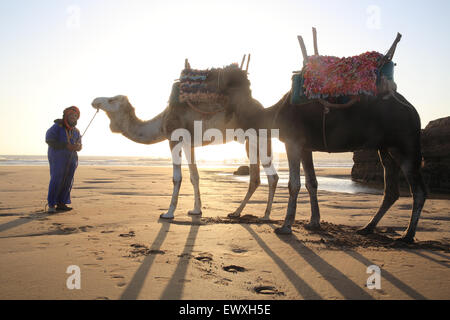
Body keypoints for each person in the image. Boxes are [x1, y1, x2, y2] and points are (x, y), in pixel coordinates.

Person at [45, 106, 82, 213]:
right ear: (66, 116)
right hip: (58, 157)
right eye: (71, 115)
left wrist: (78, 147)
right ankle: (51, 204)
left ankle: (61, 203)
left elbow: (80, 145)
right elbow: (49, 140)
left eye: (76, 116)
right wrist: (66, 145)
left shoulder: (76, 131)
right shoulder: (57, 127)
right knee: (57, 179)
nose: (73, 118)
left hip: (71, 159)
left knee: (68, 180)